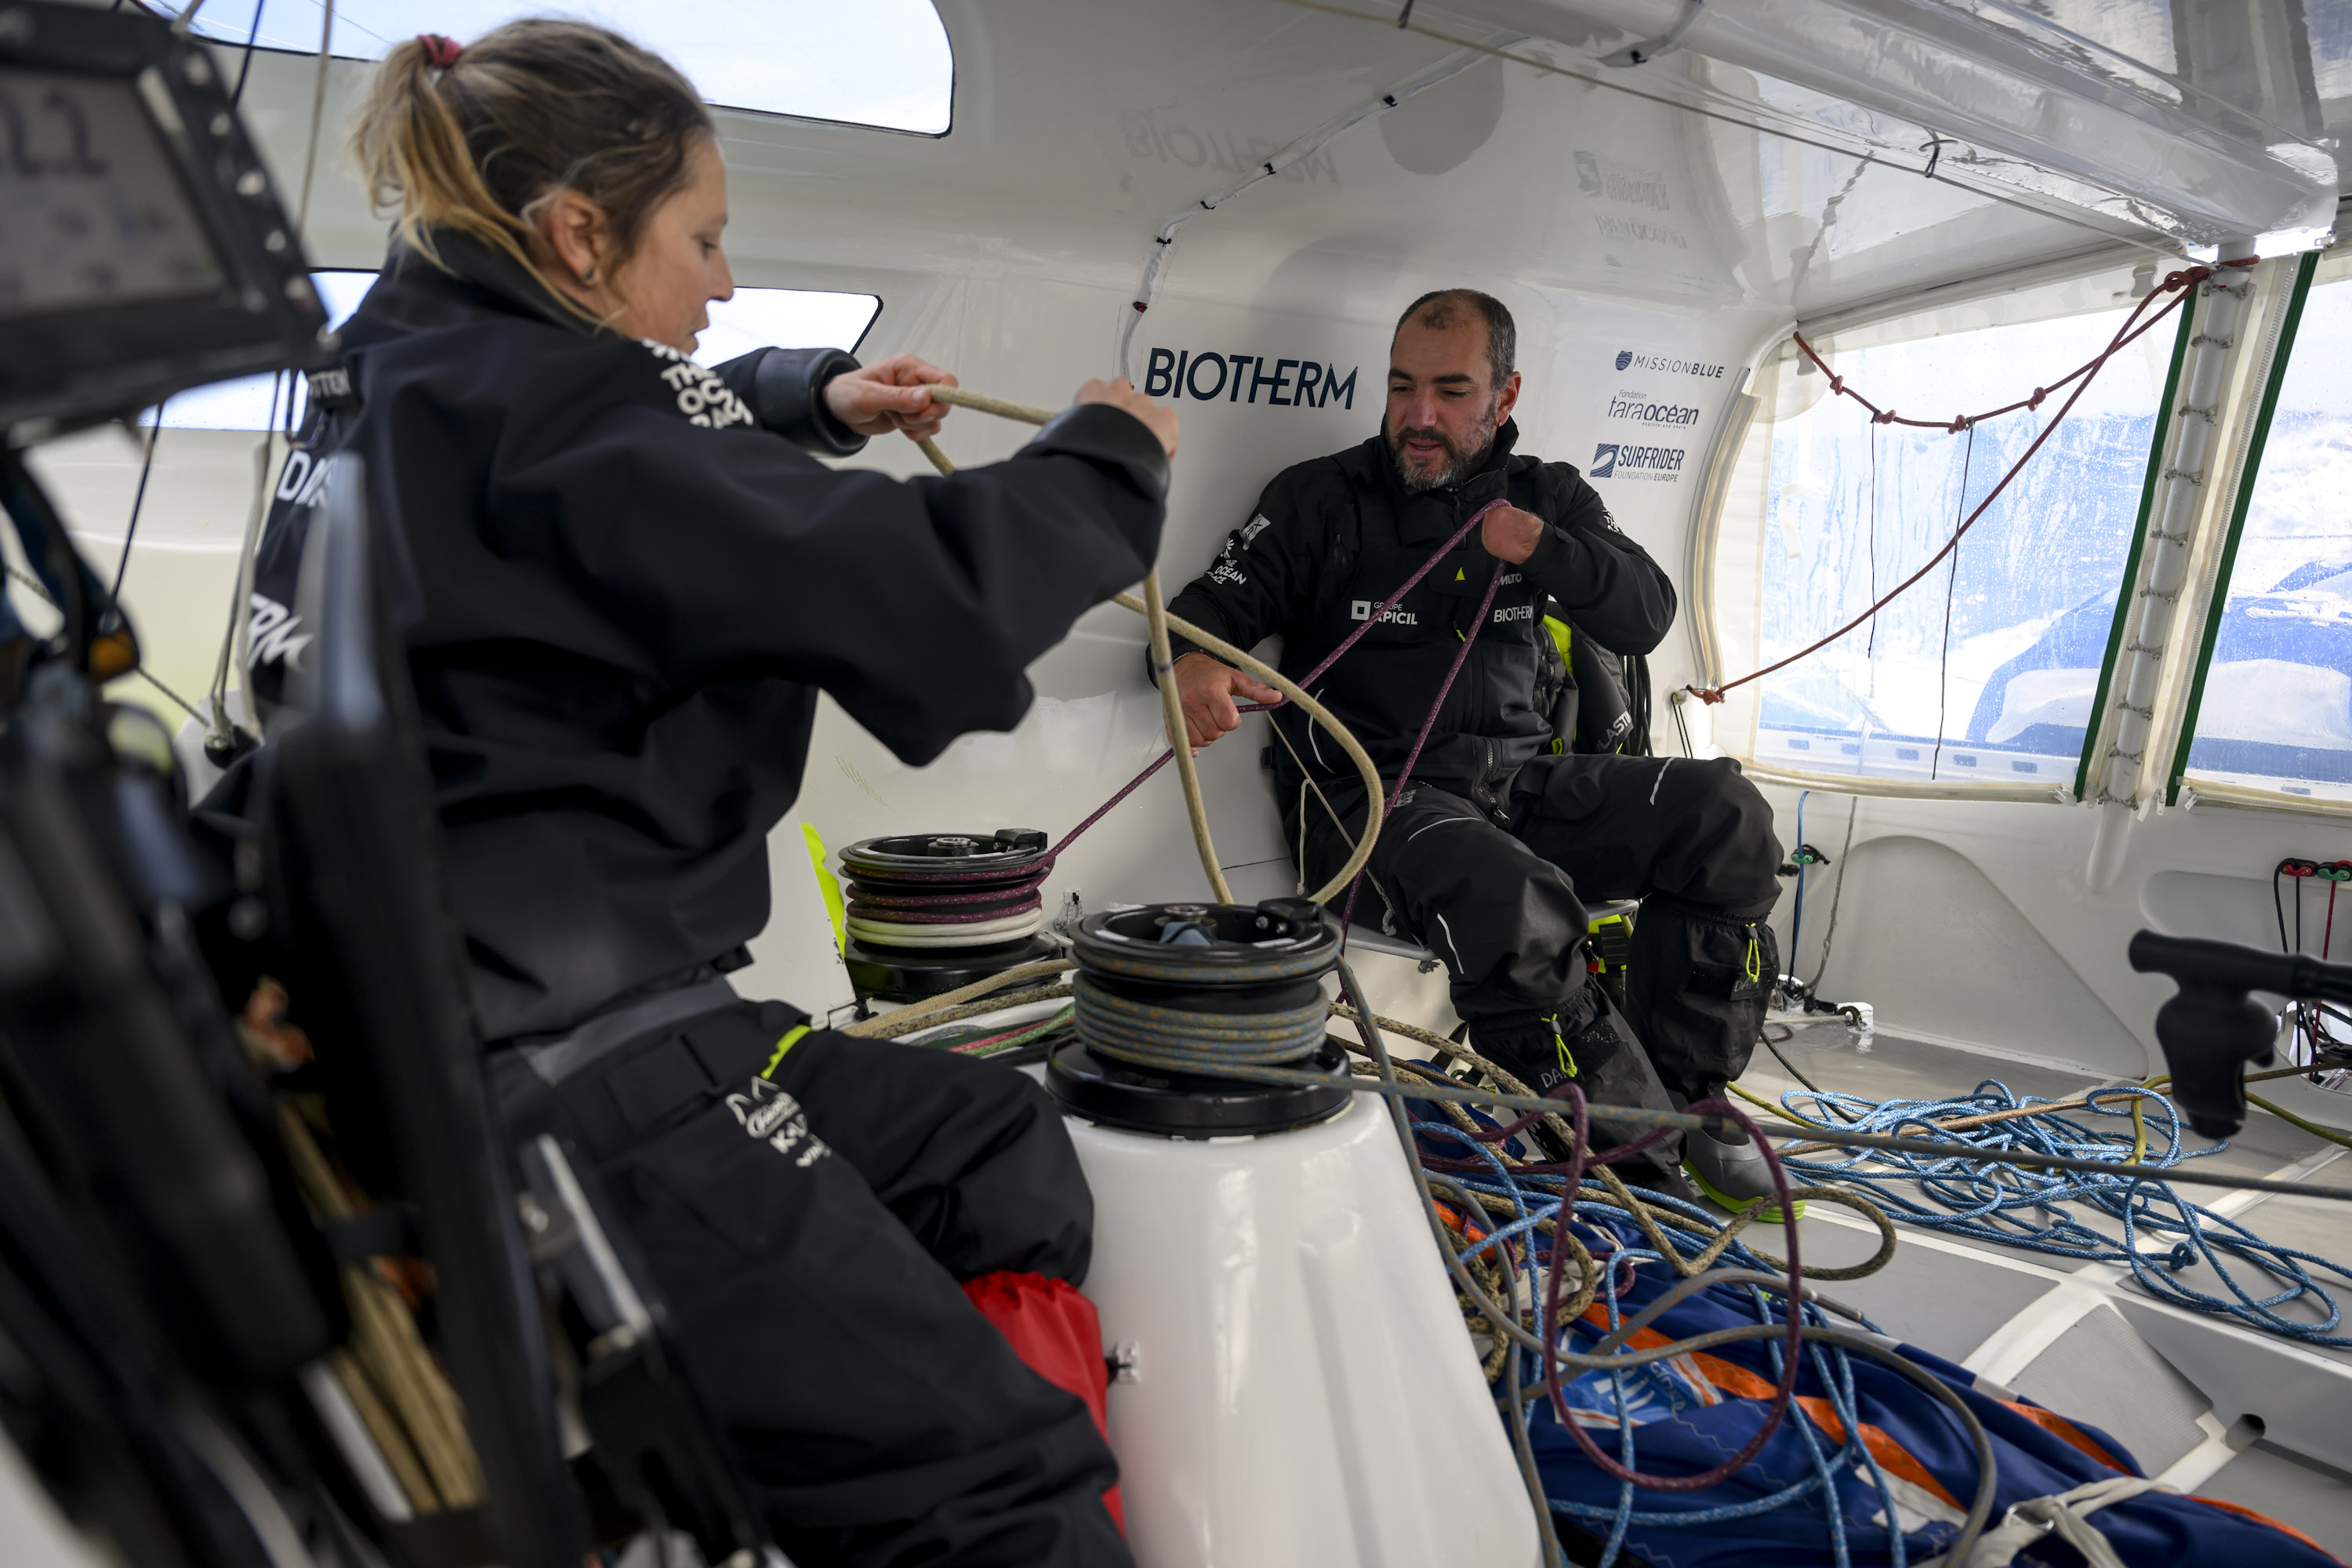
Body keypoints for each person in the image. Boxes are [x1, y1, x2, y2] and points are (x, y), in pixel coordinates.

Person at [211, 22, 1172, 1567]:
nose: (723, 282)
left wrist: (807, 395)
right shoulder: (562, 422)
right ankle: (963, 1466)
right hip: (577, 1073)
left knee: (996, 1149)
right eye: (704, 239)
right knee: (1002, 1494)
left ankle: (857, 1431)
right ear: (579, 237)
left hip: (509, 1010)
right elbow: (931, 602)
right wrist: (1111, 464)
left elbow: (616, 460)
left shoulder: (400, 365)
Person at [1160, 289, 1782, 1204]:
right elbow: (1199, 612)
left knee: (1727, 816)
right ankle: (1629, 1169)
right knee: (1514, 895)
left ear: (1506, 394)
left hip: (1520, 786)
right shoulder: (1319, 498)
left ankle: (1689, 1098)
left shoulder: (1549, 495)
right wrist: (1191, 665)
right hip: (1371, 805)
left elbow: (1647, 612)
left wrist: (1540, 545)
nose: (1419, 416)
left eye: (1451, 391)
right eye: (1403, 386)